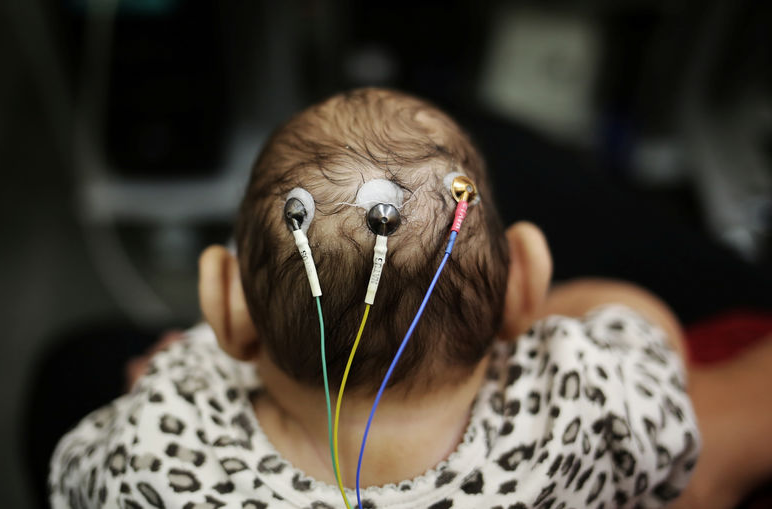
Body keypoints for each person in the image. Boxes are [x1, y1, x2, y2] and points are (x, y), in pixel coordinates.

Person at [50, 88, 702, 508]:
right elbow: (656, 355)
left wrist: (172, 382)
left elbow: (76, 476)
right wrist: (569, 310)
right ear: (525, 280)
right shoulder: (588, 401)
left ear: (225, 303)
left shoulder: (157, 450)